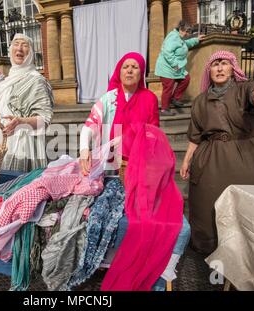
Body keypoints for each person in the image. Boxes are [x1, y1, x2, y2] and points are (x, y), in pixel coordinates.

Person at [79, 52, 189, 291]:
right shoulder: (108, 99)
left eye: (135, 67)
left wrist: (139, 148)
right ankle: (104, 260)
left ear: (141, 74)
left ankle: (151, 266)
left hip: (141, 169)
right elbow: (89, 125)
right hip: (112, 170)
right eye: (126, 67)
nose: (129, 71)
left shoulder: (150, 98)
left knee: (155, 219)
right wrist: (84, 150)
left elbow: (154, 133)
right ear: (119, 71)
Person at [180, 51, 254, 255]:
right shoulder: (200, 100)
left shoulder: (242, 89)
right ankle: (210, 247)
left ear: (233, 69)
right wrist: (186, 160)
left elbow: (253, 90)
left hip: (245, 156)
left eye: (224, 63)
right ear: (210, 70)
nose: (219, 68)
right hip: (211, 158)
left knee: (247, 205)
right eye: (215, 64)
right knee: (206, 204)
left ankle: (247, 249)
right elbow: (195, 135)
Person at [0, 33, 54, 172]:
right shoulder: (4, 82)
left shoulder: (36, 80)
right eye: (16, 44)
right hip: (2, 142)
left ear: (31, 52)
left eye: (25, 45)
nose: (19, 48)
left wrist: (21, 121)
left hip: (25, 146)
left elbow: (44, 120)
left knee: (21, 186)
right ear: (10, 50)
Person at [155, 20, 205, 116]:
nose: (187, 34)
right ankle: (164, 109)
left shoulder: (179, 38)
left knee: (185, 79)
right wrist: (175, 64)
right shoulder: (173, 37)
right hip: (166, 67)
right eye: (185, 31)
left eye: (188, 32)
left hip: (175, 68)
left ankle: (175, 98)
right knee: (168, 88)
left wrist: (196, 40)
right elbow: (167, 52)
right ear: (180, 29)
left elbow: (185, 44)